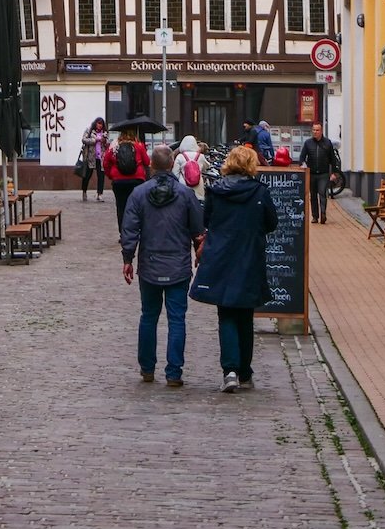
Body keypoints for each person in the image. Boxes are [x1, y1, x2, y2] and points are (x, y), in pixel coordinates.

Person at [190, 143, 278, 392]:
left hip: (221, 257)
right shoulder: (260, 192)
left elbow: (207, 220)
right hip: (249, 258)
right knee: (244, 316)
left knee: (226, 313)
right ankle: (245, 372)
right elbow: (272, 223)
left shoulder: (216, 191)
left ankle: (229, 370)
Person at [121, 145, 204, 388]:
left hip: (150, 265)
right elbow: (198, 230)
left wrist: (128, 258)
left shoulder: (138, 194)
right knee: (177, 319)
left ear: (151, 166)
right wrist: (198, 251)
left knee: (149, 316)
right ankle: (174, 372)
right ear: (171, 165)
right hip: (178, 265)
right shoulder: (186, 194)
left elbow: (129, 230)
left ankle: (147, 368)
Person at [104, 127, 149, 231]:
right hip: (137, 180)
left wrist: (111, 175)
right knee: (137, 206)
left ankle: (123, 233)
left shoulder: (115, 147)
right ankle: (136, 230)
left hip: (118, 181)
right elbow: (147, 162)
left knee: (121, 207)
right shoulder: (139, 146)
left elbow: (106, 162)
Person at [300, 121, 338, 223]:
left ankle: (323, 213)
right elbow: (302, 157)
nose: (315, 132)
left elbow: (332, 159)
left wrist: (333, 173)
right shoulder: (308, 143)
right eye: (313, 130)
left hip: (323, 173)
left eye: (317, 130)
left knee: (322, 193)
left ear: (321, 131)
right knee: (313, 195)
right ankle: (315, 216)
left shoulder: (327, 143)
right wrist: (303, 164)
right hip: (311, 173)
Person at [79, 116, 109, 201]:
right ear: (95, 123)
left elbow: (107, 144)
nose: (100, 125)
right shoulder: (89, 130)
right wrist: (95, 140)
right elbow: (84, 139)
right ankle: (84, 191)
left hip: (101, 157)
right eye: (98, 123)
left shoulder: (105, 133)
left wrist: (105, 142)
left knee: (101, 176)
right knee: (87, 175)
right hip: (91, 157)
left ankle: (99, 194)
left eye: (101, 124)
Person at [173, 134, 209, 199]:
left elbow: (175, 174)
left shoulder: (180, 156)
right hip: (198, 186)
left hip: (183, 185)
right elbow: (207, 166)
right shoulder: (200, 156)